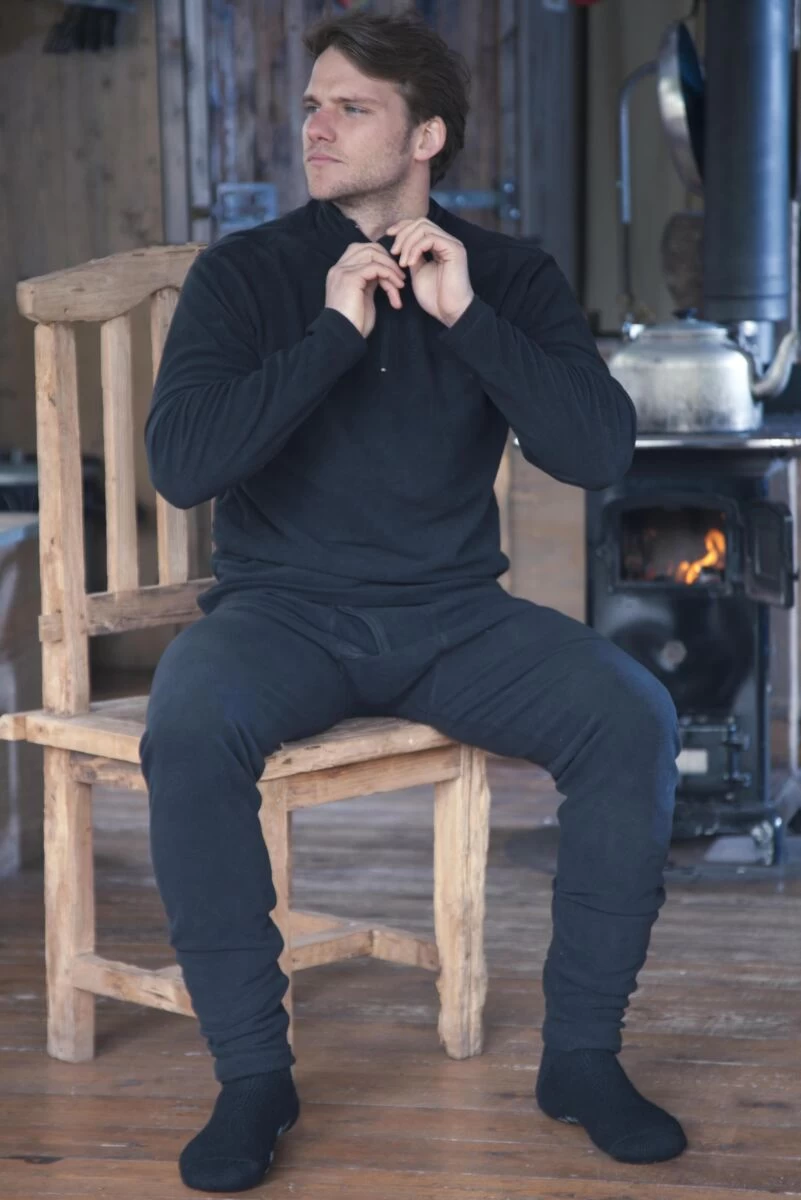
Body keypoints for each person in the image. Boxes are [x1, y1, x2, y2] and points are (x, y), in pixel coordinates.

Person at [141, 9, 687, 1193]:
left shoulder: (510, 275)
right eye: (312, 106)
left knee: (633, 717)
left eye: (353, 107)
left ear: (426, 135)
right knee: (186, 725)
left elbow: (598, 453)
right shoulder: (244, 275)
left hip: (454, 621)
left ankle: (583, 1060)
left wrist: (467, 318)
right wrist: (332, 335)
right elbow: (182, 466)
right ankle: (253, 1078)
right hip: (282, 617)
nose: (317, 127)